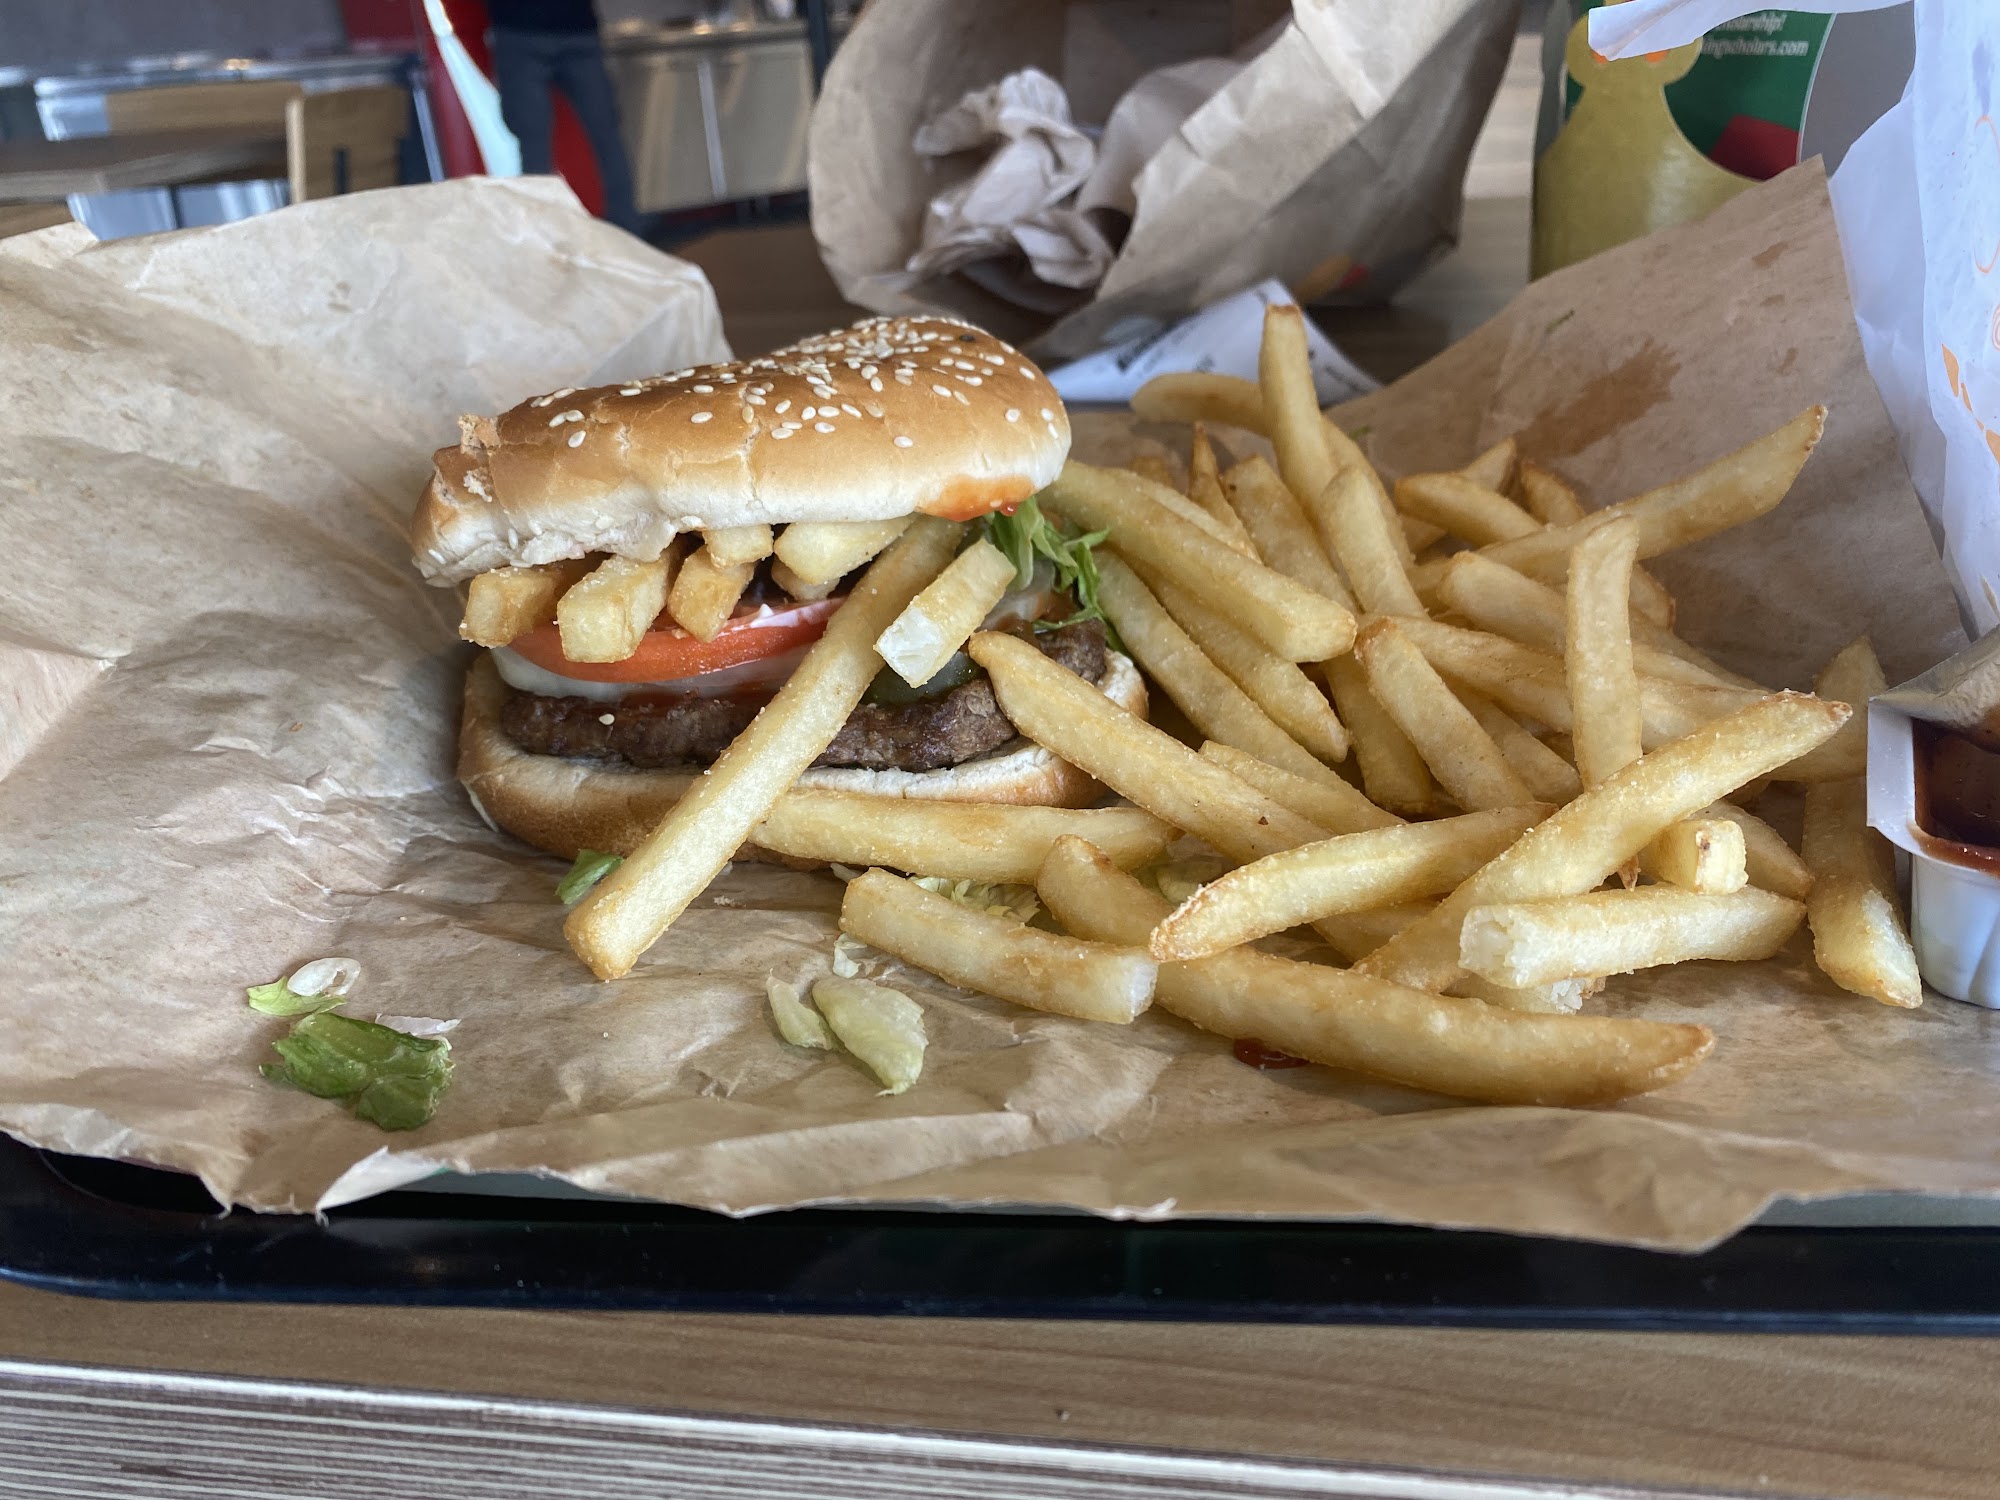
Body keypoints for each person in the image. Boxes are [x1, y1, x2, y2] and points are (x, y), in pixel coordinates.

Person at [487, 0, 645, 235]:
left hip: (520, 27)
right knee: (606, 137)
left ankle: (544, 238)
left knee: (534, 148)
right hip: (576, 26)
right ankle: (628, 234)